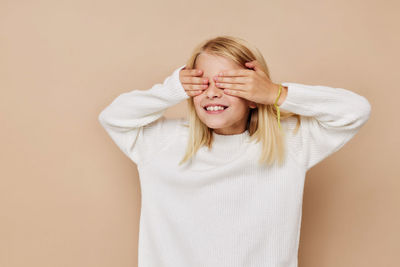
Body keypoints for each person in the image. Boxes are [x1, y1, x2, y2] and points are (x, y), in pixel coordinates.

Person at [98, 35, 371, 267]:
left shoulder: (290, 144)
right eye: (202, 84)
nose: (213, 93)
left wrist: (276, 94)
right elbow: (113, 117)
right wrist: (171, 90)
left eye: (228, 84)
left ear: (255, 96)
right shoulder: (161, 143)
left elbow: (355, 110)